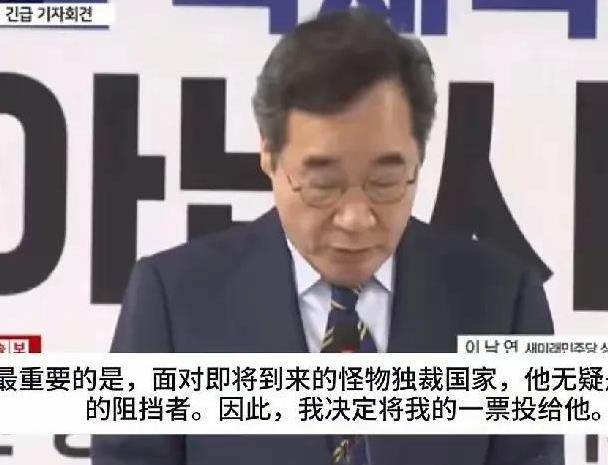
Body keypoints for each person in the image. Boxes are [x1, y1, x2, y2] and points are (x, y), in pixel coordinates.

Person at [91, 8, 564, 465]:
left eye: (385, 182)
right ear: (269, 156)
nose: (356, 218)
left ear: (419, 159)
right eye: (322, 183)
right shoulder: (174, 301)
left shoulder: (504, 304)